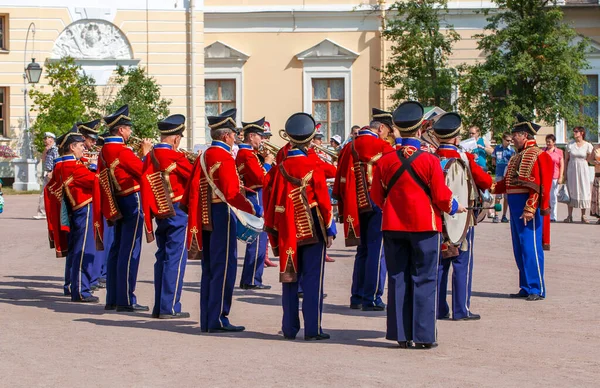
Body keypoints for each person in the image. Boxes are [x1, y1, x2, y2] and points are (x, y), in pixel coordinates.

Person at [370, 101, 466, 349]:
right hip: (424, 226)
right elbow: (441, 196)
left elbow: (376, 196)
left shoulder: (384, 160)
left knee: (398, 278)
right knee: (424, 279)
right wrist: (456, 207)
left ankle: (402, 334)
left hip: (392, 225)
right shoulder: (430, 160)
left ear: (398, 130)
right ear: (421, 129)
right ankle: (423, 336)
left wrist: (392, 209)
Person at [183, 108, 261, 333]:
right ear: (226, 136)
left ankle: (208, 318)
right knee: (225, 269)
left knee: (210, 268)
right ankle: (219, 318)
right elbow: (230, 193)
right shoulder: (224, 156)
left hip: (207, 215)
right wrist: (252, 209)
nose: (236, 136)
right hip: (222, 215)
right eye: (234, 133)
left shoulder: (205, 155)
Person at [263, 112, 337, 341]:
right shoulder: (312, 165)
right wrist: (330, 229)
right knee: (313, 279)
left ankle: (289, 328)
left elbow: (269, 197)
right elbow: (324, 202)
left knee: (290, 277)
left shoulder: (279, 168)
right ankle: (313, 329)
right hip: (312, 226)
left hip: (287, 227)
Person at [333, 109, 401, 312]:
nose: (387, 135)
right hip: (377, 204)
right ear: (381, 128)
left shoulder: (349, 146)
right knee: (377, 251)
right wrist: (397, 142)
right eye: (387, 132)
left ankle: (357, 295)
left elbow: (338, 180)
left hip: (355, 205)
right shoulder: (384, 147)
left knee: (361, 251)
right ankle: (371, 297)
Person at [432, 112, 492, 321]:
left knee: (440, 263)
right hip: (462, 219)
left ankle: (439, 308)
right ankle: (461, 309)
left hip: (438, 218)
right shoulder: (463, 158)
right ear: (456, 137)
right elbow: (484, 180)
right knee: (462, 262)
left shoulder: (431, 156)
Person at [491, 114, 553, 301]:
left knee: (530, 247)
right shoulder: (517, 156)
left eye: (515, 135)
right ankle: (526, 286)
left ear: (524, 135)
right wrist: (486, 184)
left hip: (527, 208)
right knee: (519, 248)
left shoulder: (537, 155)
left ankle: (536, 288)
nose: (512, 139)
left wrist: (530, 207)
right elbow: (508, 184)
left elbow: (538, 186)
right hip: (516, 206)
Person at [98, 104, 153, 312]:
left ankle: (113, 297)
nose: (131, 133)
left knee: (117, 250)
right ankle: (126, 299)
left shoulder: (105, 150)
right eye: (128, 129)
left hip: (117, 201)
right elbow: (143, 171)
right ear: (121, 130)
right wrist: (146, 154)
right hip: (132, 200)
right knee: (130, 251)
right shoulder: (120, 149)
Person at [140, 114, 193, 319]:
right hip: (178, 210)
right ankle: (169, 306)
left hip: (160, 211)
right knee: (176, 259)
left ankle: (160, 305)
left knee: (162, 257)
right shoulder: (175, 157)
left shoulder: (150, 156)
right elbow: (194, 177)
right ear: (176, 138)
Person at [54, 127, 102, 303]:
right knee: (83, 250)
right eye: (81, 145)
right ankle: (81, 290)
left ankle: (73, 286)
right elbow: (97, 181)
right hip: (84, 209)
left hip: (78, 210)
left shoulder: (67, 164)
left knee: (76, 250)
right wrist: (99, 166)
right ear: (72, 147)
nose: (85, 148)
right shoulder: (73, 166)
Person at [236, 117, 271, 290]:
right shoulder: (247, 155)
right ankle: (251, 280)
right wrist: (269, 165)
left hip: (256, 194)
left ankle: (252, 278)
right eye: (260, 136)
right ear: (251, 137)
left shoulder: (250, 154)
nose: (262, 140)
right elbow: (261, 178)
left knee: (260, 240)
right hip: (255, 195)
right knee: (258, 240)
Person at [564, 127, 594, 223]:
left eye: (576, 131)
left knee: (583, 190)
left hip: (583, 170)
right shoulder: (570, 145)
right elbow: (566, 160)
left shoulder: (588, 145)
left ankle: (583, 216)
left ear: (582, 133)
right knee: (571, 190)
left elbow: (589, 158)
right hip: (572, 169)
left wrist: (584, 163)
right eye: (574, 131)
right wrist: (564, 173)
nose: (574, 133)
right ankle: (569, 215)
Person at [491, 132, 516, 223]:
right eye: (507, 140)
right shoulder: (497, 148)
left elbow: (513, 161)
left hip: (507, 175)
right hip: (498, 173)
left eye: (510, 141)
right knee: (498, 195)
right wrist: (494, 161)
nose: (509, 142)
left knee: (506, 196)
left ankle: (504, 215)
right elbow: (493, 158)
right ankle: (496, 215)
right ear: (503, 139)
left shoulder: (512, 151)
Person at [34, 132, 59, 220]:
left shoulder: (55, 149)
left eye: (46, 138)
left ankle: (47, 213)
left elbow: (57, 161)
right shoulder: (49, 149)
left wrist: (52, 172)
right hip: (48, 173)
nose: (44, 141)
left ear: (51, 139)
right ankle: (43, 213)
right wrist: (45, 150)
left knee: (53, 193)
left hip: (52, 173)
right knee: (44, 193)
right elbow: (43, 159)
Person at [544, 134, 565, 222]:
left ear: (554, 142)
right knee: (545, 197)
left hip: (554, 177)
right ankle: (546, 214)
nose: (548, 143)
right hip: (545, 176)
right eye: (547, 141)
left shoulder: (559, 151)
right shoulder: (543, 151)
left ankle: (553, 216)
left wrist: (561, 177)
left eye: (550, 141)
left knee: (553, 197)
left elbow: (561, 165)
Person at [591, 144, 600, 223]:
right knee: (598, 198)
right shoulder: (596, 148)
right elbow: (590, 160)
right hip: (598, 175)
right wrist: (595, 162)